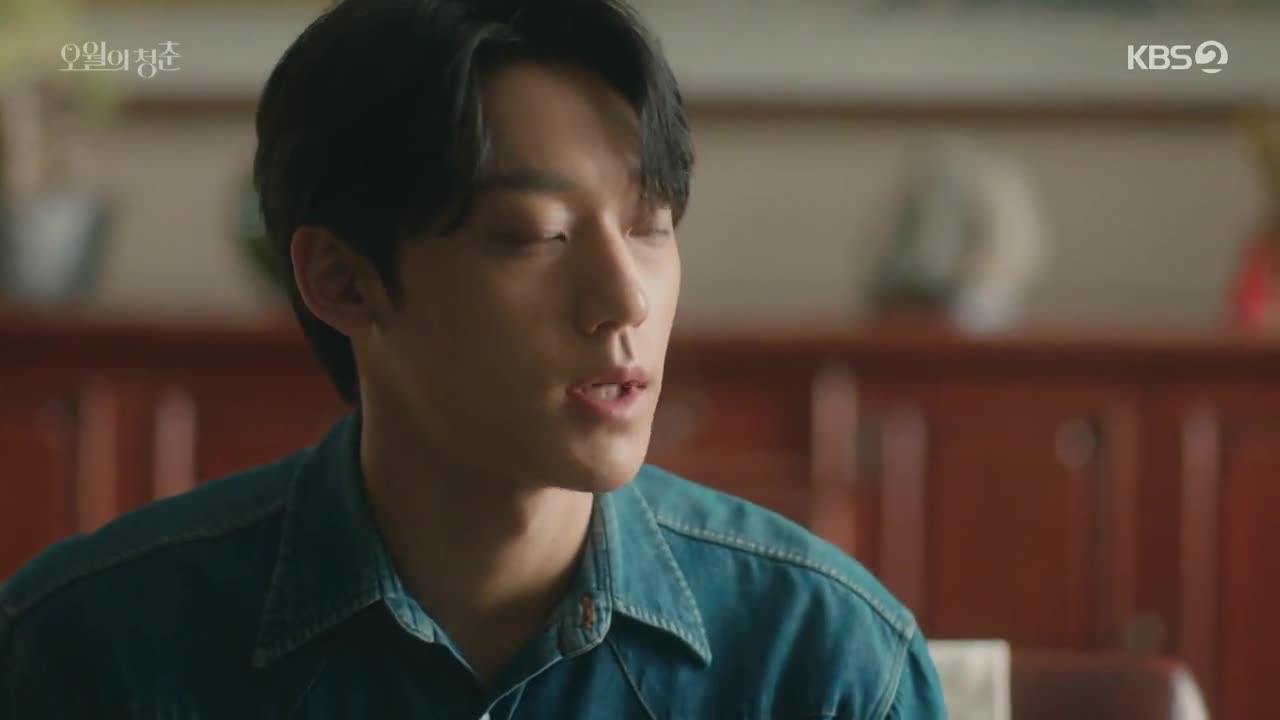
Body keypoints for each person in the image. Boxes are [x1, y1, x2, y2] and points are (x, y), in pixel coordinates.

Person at [0, 1, 947, 717]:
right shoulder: (89, 650)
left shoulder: (821, 659)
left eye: (649, 227)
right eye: (538, 235)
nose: (626, 300)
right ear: (342, 279)